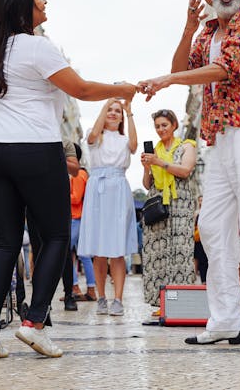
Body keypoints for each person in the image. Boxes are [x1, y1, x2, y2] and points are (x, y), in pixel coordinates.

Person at [0, 0, 137, 360]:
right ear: (21, 7)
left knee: (7, 243)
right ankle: (33, 323)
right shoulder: (37, 46)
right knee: (57, 237)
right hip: (34, 148)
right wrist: (121, 90)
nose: (45, 3)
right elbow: (79, 89)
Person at [139, 0, 240, 347]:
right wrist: (189, 28)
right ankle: (225, 319)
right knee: (210, 227)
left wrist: (168, 79)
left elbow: (225, 68)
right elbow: (179, 68)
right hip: (218, 136)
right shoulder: (206, 32)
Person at [79, 98, 138, 317]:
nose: (113, 113)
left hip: (118, 188)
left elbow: (133, 145)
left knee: (117, 250)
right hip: (98, 189)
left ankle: (118, 300)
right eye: (110, 110)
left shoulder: (124, 139)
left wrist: (129, 112)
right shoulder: (94, 135)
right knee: (99, 250)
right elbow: (94, 133)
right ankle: (102, 297)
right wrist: (107, 103)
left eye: (117, 111)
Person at [140, 109, 197, 313]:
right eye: (157, 126)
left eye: (164, 125)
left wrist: (159, 162)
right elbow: (147, 185)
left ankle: (180, 303)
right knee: (158, 253)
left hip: (179, 203)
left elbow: (185, 171)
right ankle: (161, 303)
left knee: (180, 250)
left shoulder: (186, 146)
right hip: (157, 204)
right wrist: (147, 167)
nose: (161, 129)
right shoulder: (154, 150)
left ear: (174, 125)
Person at [66, 144, 96, 304]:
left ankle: (75, 287)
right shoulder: (84, 174)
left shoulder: (77, 175)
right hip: (82, 218)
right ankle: (89, 289)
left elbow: (76, 197)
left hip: (76, 217)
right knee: (84, 256)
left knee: (69, 254)